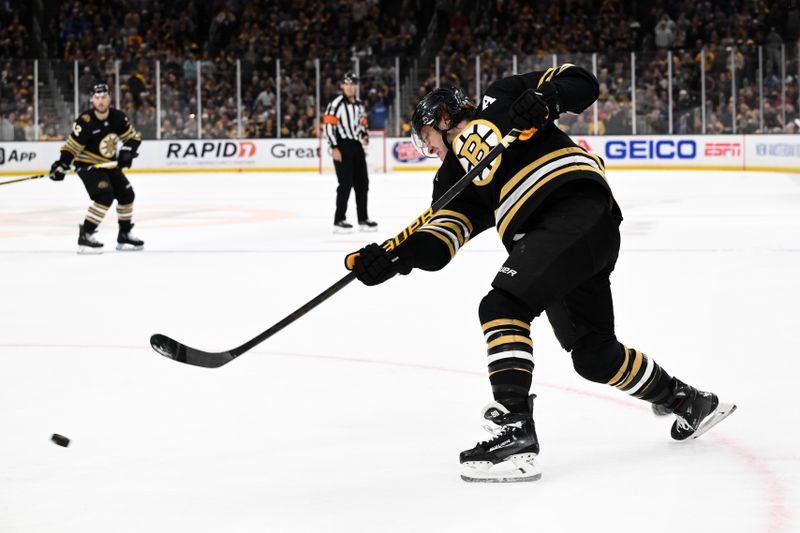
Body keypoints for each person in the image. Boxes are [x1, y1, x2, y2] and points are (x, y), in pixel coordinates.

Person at [347, 64, 736, 482]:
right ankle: (688, 401)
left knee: (502, 306)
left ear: (442, 119)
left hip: (575, 209)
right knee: (595, 356)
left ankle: (515, 430)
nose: (431, 150)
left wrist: (547, 99)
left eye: (427, 140)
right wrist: (392, 258)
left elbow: (582, 81)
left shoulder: (501, 97)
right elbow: (440, 243)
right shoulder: (452, 179)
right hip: (561, 241)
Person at [49, 84, 144, 254]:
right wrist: (62, 164)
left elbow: (133, 139)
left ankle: (124, 234)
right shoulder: (85, 121)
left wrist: (127, 152)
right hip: (87, 166)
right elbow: (71, 148)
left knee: (127, 195)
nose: (100, 101)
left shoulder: (118, 118)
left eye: (104, 97)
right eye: (97, 98)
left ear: (109, 99)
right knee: (104, 195)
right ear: (92, 99)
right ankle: (86, 235)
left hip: (109, 165)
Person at [323, 72, 378, 234]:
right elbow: (328, 127)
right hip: (342, 146)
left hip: (357, 147)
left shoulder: (360, 104)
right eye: (346, 84)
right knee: (345, 184)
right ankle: (339, 220)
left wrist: (365, 135)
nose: (349, 87)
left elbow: (362, 123)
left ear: (356, 86)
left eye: (352, 84)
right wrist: (334, 147)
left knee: (363, 183)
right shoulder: (336, 104)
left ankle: (363, 219)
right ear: (342, 86)